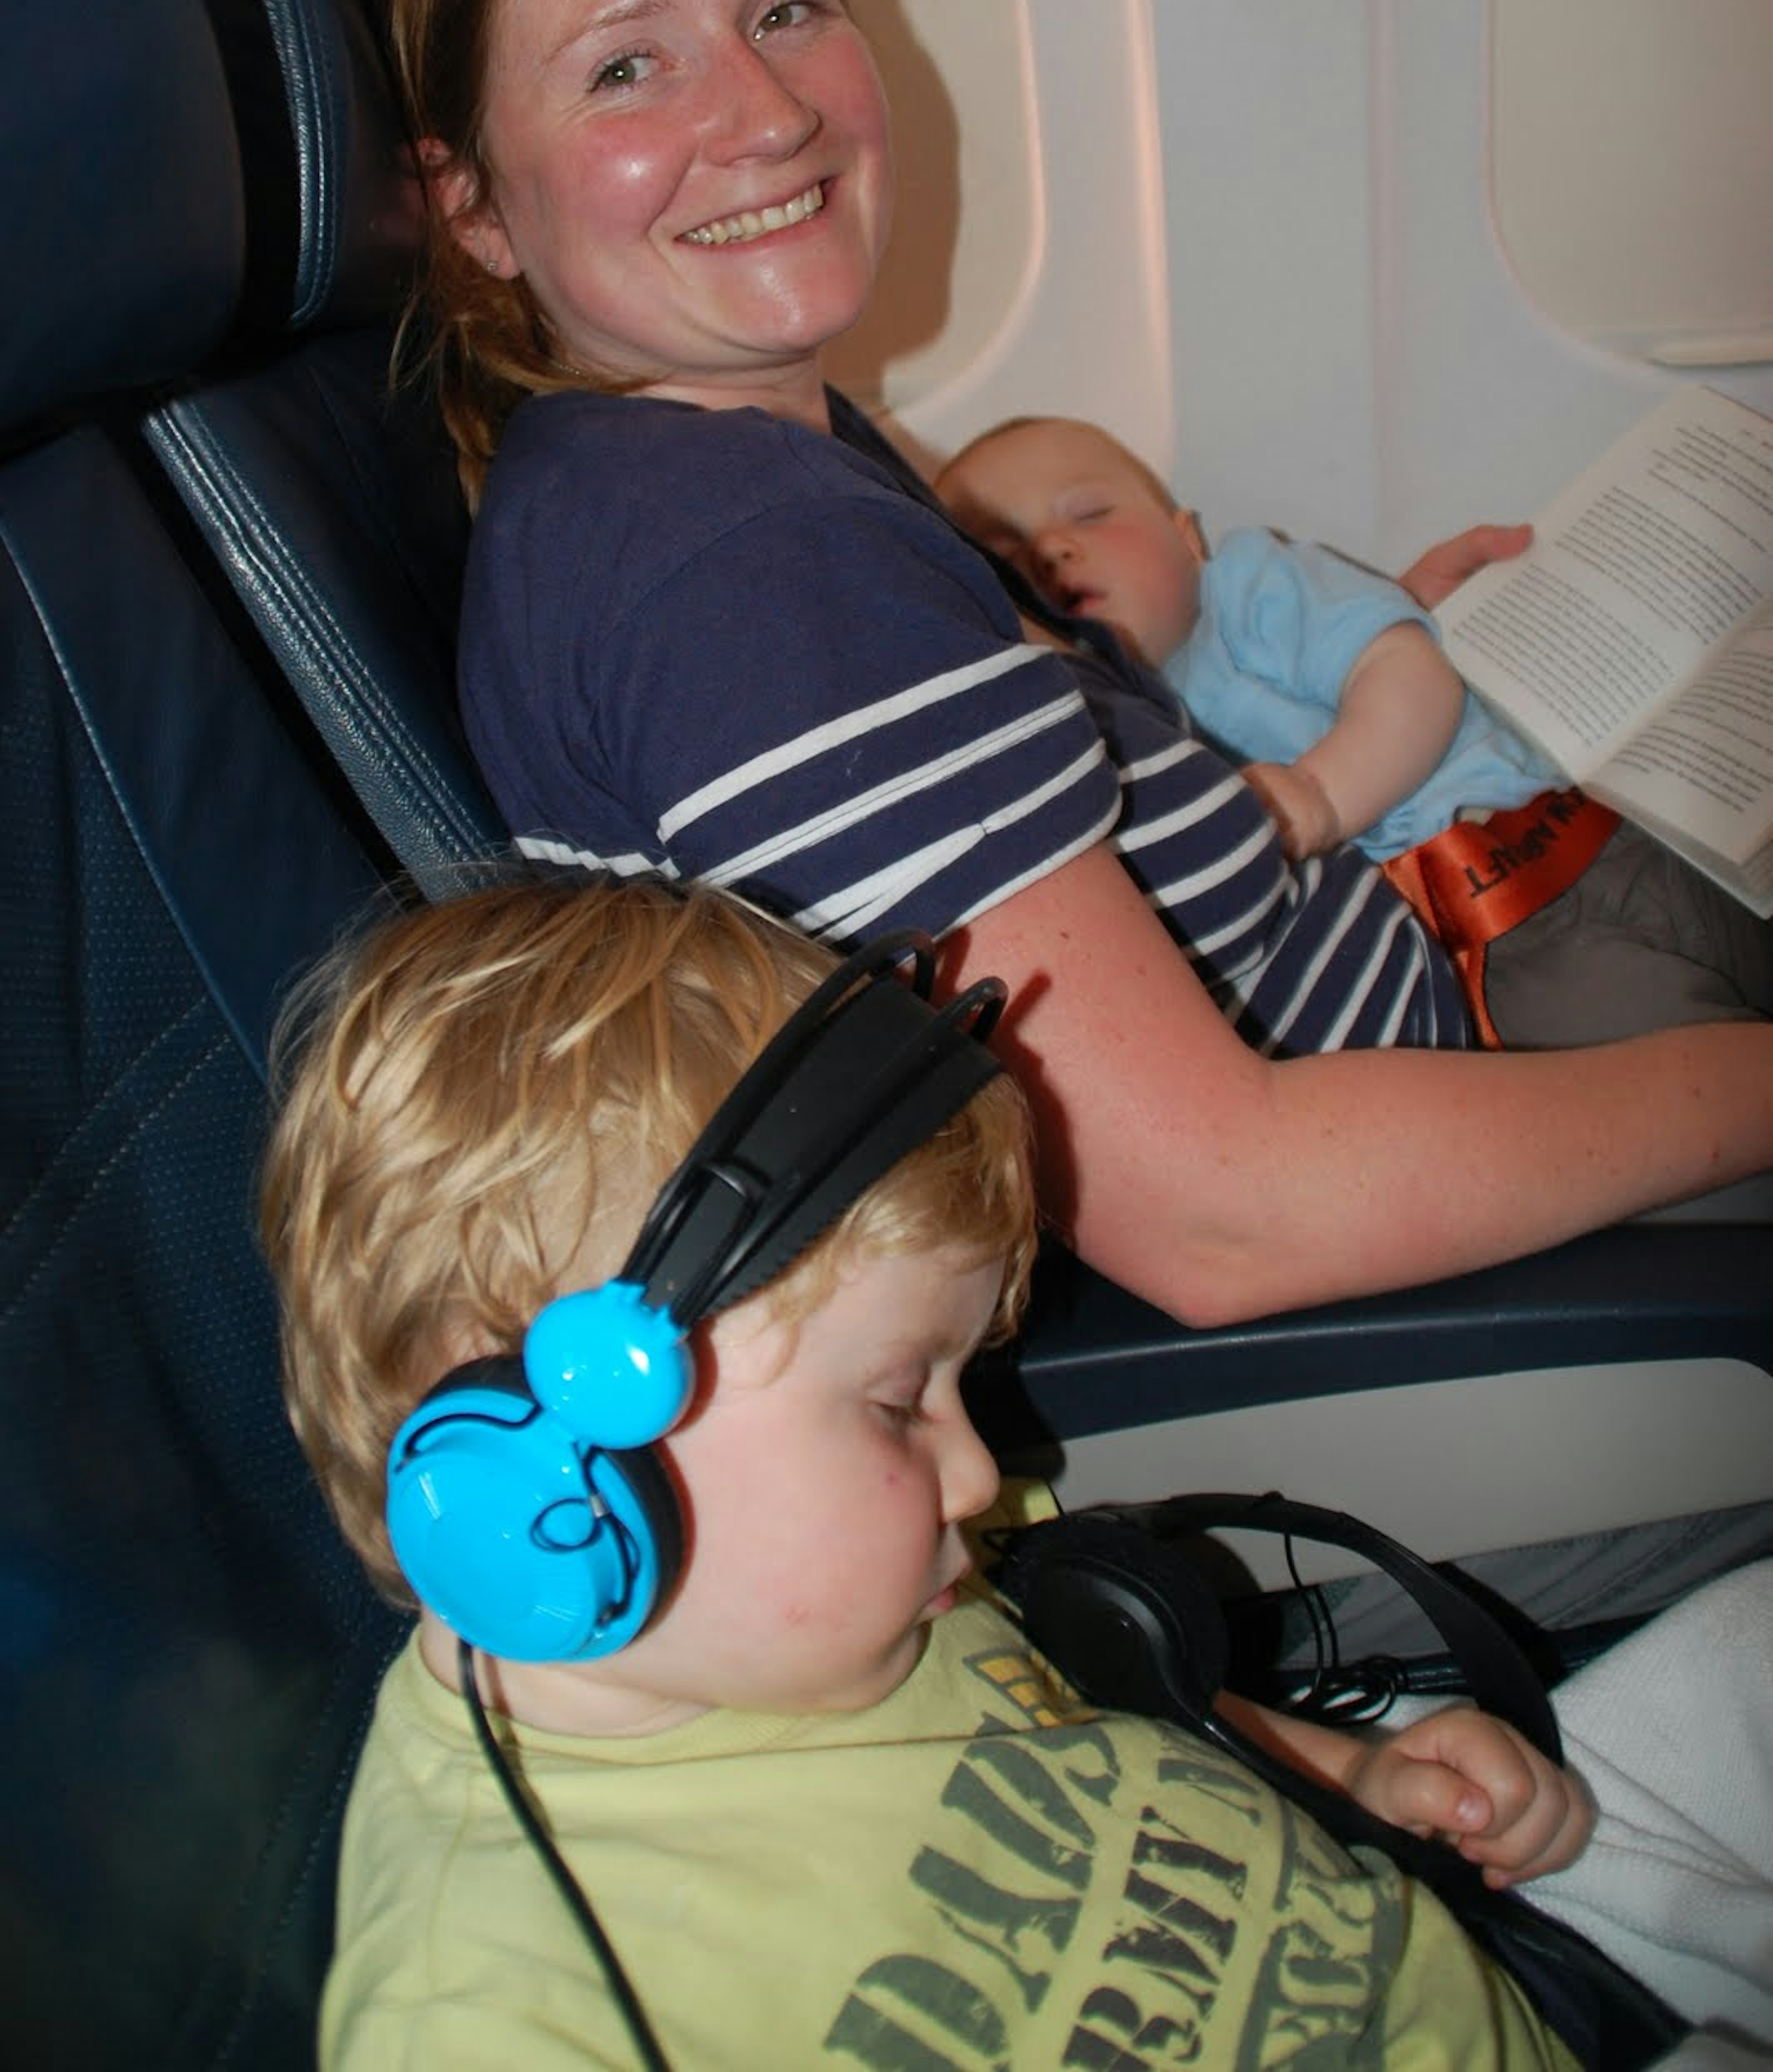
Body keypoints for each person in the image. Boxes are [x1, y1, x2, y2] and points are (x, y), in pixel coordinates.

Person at [328, 0, 1773, 1343]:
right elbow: (1230, 1216)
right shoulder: (733, 562)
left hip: (1442, 1074)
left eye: (787, 7)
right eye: (624, 69)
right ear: (468, 206)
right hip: (1427, 1307)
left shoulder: (721, 468)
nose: (769, 107)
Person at [263, 871, 1645, 2072]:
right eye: (893, 1398)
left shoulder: (860, 1592)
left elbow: (1110, 1727)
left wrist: (1359, 1775)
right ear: (544, 1464)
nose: (981, 1473)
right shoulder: (502, 2010)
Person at [933, 414, 1773, 1050]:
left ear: (1187, 537)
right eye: (1008, 554)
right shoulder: (1113, 729)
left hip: (1591, 839)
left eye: (1087, 512)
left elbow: (1410, 676)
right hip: (1501, 948)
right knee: (1684, 1074)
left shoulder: (1249, 588)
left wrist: (1317, 798)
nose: (1050, 549)